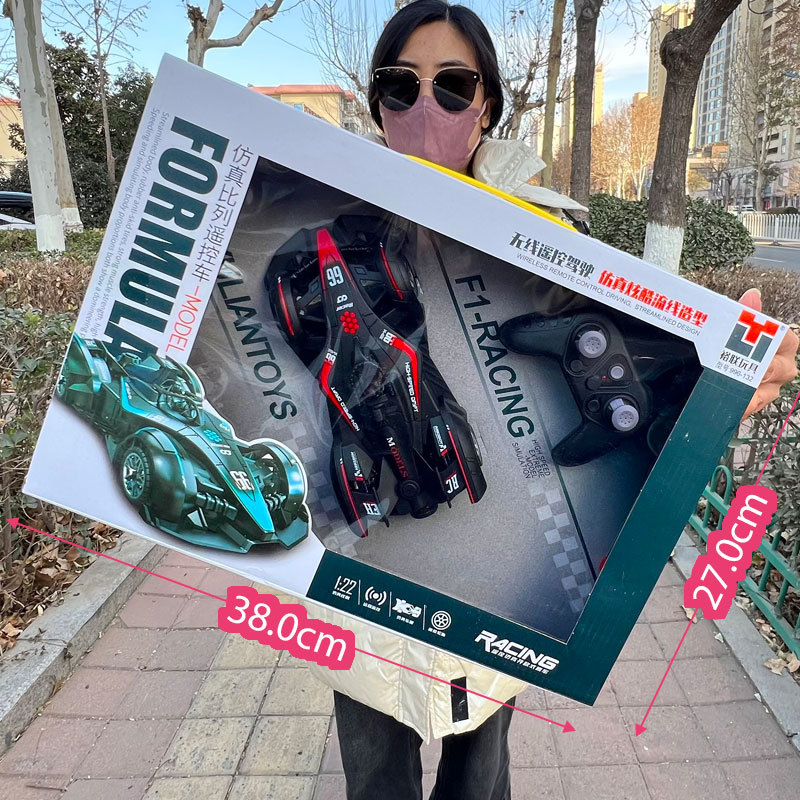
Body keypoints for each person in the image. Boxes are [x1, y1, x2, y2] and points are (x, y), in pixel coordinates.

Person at [306, 3, 800, 799]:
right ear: (377, 104)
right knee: (375, 783)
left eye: (452, 85)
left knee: (480, 780)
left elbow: (633, 374)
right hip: (365, 582)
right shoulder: (322, 221)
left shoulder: (551, 236)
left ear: (486, 105)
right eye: (401, 85)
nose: (426, 106)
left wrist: (717, 392)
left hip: (502, 587)